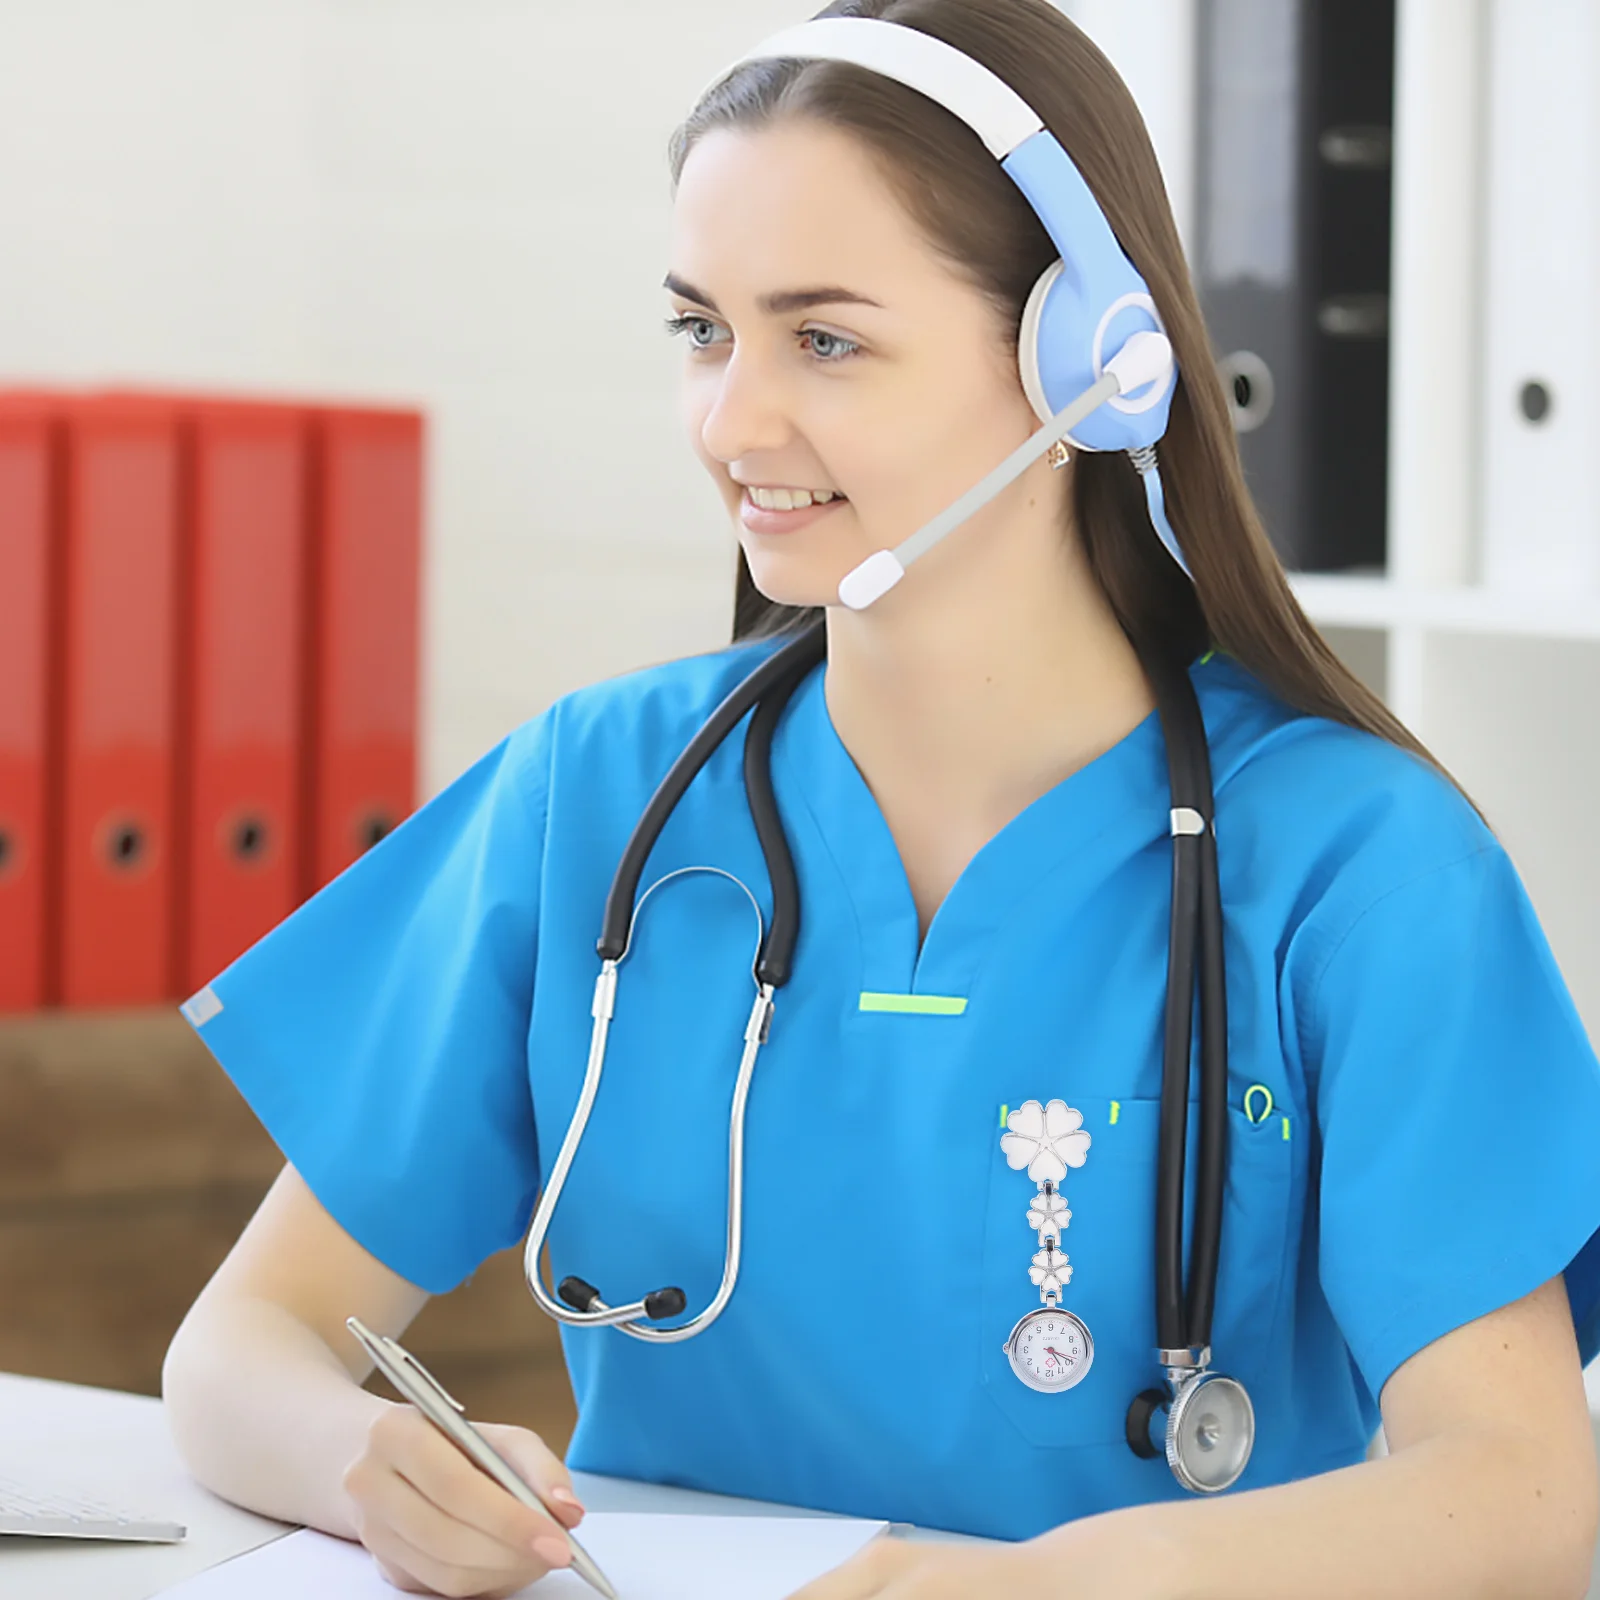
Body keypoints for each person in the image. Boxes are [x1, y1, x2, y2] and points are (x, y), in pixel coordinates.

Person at [162, 1, 1600, 1595]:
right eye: (702, 330)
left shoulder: (1355, 862)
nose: (733, 421)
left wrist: (1009, 1591)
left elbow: (1523, 1496)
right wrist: (367, 1466)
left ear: (1087, 364)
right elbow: (243, 1344)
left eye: (825, 338)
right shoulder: (601, 793)